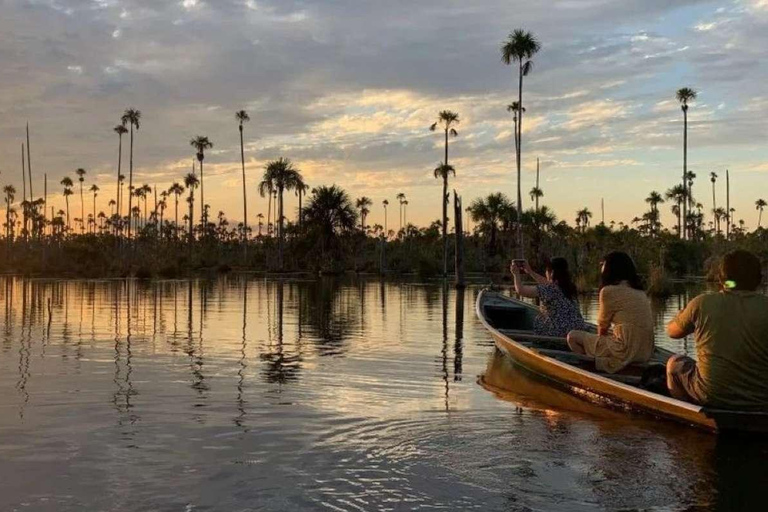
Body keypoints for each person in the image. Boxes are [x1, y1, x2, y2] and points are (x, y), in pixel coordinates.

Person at [666, 250, 768, 409]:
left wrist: (680, 316)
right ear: (759, 280)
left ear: (720, 279)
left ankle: (688, 413)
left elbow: (672, 332)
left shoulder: (701, 303)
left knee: (674, 364)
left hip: (711, 395)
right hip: (760, 399)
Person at [566, 252, 654, 373]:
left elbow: (602, 328)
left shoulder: (609, 291)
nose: (601, 269)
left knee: (573, 337)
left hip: (624, 350)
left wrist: (596, 346)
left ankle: (591, 371)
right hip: (645, 352)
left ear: (610, 269)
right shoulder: (640, 292)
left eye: (603, 265)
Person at [511, 257, 586, 337]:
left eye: (547, 270)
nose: (545, 273)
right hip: (577, 334)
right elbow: (547, 283)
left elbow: (521, 290)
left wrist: (516, 274)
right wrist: (530, 272)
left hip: (558, 334)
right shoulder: (570, 287)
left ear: (552, 272)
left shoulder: (549, 289)